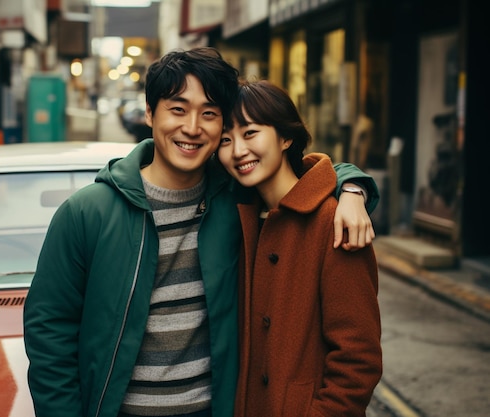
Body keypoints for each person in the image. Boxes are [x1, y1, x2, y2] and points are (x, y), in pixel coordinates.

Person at [23, 47, 379, 417]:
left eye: (209, 115)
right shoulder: (87, 213)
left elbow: (298, 179)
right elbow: (49, 334)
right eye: (178, 109)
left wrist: (353, 188)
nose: (192, 128)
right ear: (149, 112)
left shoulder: (235, 200)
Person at [216, 79, 382, 417]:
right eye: (225, 139)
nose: (237, 151)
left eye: (250, 133)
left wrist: (353, 190)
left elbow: (357, 359)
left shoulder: (334, 221)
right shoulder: (237, 216)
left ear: (285, 136)